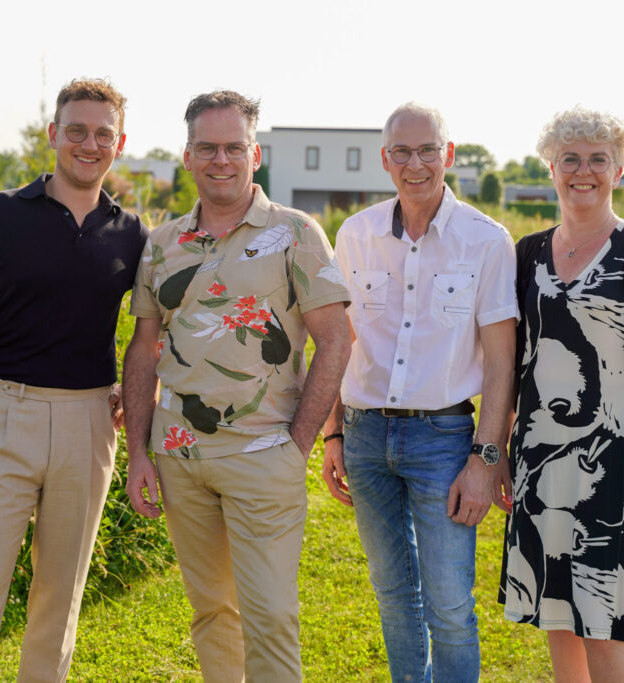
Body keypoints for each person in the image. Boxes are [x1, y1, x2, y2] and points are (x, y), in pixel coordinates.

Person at [123, 90, 351, 682]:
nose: (220, 160)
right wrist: (138, 453)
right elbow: (145, 348)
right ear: (188, 155)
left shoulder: (296, 232)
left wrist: (298, 442)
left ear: (254, 154)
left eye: (233, 147)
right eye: (207, 148)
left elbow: (337, 340)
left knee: (270, 615)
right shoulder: (162, 243)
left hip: (264, 454)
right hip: (179, 456)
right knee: (212, 612)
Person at [0, 78, 148, 682]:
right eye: (76, 130)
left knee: (60, 600)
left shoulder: (132, 234)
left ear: (119, 143)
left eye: (103, 134)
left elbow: (152, 334)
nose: (88, 143)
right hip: (1, 414)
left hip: (88, 425)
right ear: (54, 134)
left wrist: (134, 399)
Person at [321, 102, 518, 683]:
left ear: (447, 155)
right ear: (385, 160)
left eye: (427, 149)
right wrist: (333, 431)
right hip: (364, 434)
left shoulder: (486, 241)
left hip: (445, 439)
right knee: (391, 596)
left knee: (451, 605)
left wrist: (486, 459)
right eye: (402, 152)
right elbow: (342, 340)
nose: (416, 163)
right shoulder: (355, 235)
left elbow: (503, 362)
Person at [497, 106, 624, 683]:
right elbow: (509, 363)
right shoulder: (526, 253)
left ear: (620, 169)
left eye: (598, 160)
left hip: (618, 462)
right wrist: (502, 448)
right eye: (570, 160)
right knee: (559, 619)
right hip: (541, 462)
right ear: (551, 167)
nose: (583, 171)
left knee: (606, 625)